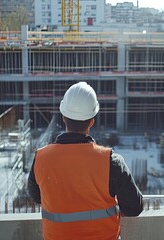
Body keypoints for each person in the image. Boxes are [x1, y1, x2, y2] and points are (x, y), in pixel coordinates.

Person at [28, 82, 143, 240]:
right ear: (91, 122)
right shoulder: (111, 161)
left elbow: (36, 196)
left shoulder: (41, 158)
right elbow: (134, 207)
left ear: (63, 117)